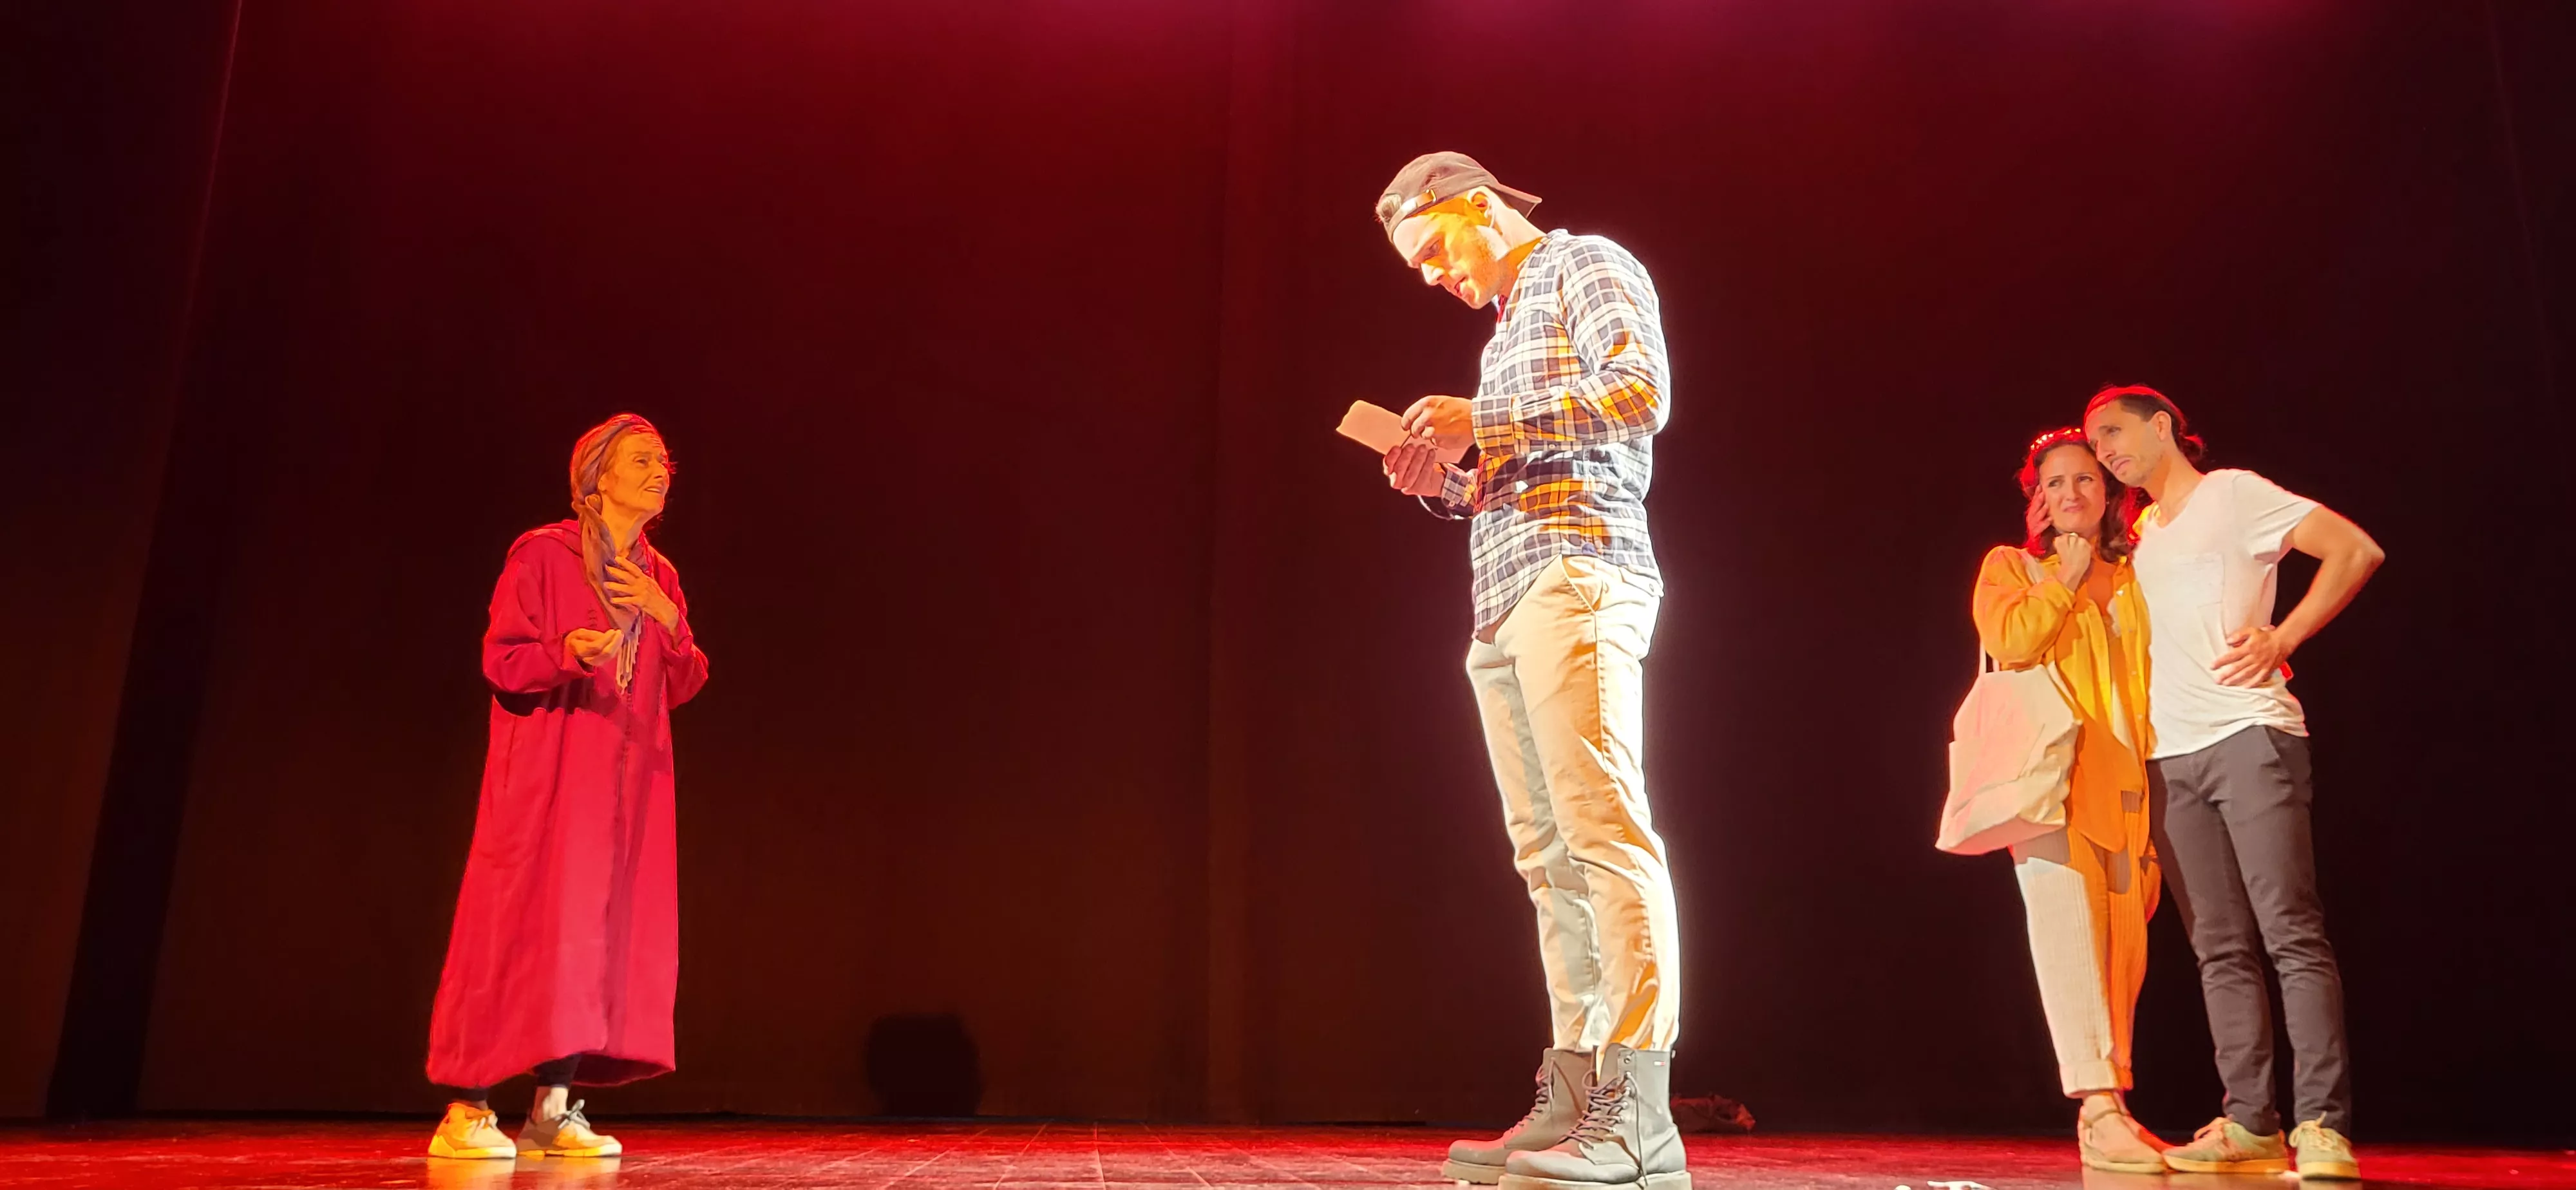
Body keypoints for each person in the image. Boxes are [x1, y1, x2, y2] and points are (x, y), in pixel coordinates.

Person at [1374, 151, 1687, 1190]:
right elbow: (1522, 468)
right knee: (1547, 855)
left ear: (1474, 205)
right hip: (1507, 596)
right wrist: (1448, 479)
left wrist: (1486, 422)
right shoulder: (1508, 328)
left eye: (1431, 251)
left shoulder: (1584, 262)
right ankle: (1576, 1090)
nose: (1431, 275)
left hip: (1579, 572)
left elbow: (1642, 395)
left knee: (1605, 831)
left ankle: (1639, 1113)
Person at [2083, 386, 2382, 1181]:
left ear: (2162, 426)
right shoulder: (2140, 533)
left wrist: (2283, 634)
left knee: (2289, 931)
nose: (2105, 450)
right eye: (2095, 441)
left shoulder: (2234, 495)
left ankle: (2322, 1125)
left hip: (2249, 735)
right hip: (2169, 757)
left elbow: (2354, 549)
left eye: (2113, 432)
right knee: (2217, 947)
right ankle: (2252, 1124)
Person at [424, 413, 710, 1160]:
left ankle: (552, 1108)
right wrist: (567, 650)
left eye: (664, 461)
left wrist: (669, 620)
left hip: (628, 782)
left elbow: (685, 680)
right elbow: (503, 660)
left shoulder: (662, 574)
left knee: (596, 935)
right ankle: (467, 1110)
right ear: (598, 478)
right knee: (515, 922)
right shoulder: (544, 556)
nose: (660, 471)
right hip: (551, 771)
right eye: (642, 459)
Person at [1969, 429, 2166, 1173]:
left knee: (2122, 957)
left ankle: (2108, 1110)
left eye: (2085, 480)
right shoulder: (2013, 568)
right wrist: (2063, 581)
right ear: (2038, 502)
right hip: (2053, 786)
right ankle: (2097, 1103)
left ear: (2109, 492)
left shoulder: (2136, 576)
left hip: (2131, 788)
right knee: (2068, 946)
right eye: (2054, 484)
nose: (2071, 495)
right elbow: (2010, 642)